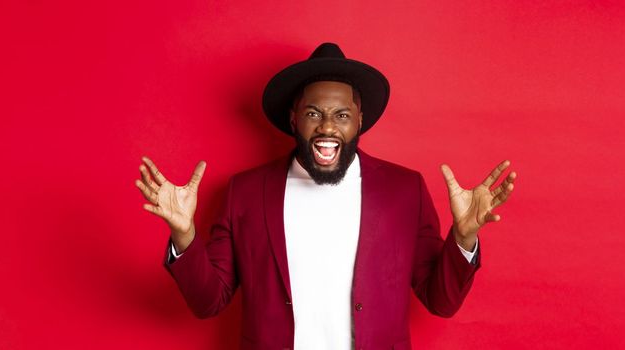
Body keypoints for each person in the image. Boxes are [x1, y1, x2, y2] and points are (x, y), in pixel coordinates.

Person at [135, 42, 517, 349]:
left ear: (360, 120)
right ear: (294, 118)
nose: (328, 127)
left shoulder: (404, 190)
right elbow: (208, 302)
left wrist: (464, 238)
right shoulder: (245, 193)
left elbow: (441, 301)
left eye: (342, 115)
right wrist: (184, 235)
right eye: (314, 113)